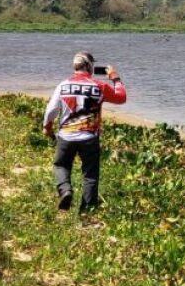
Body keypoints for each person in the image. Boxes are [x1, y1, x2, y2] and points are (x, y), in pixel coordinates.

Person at [42, 51, 127, 212]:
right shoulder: (99, 86)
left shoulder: (63, 85)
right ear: (89, 66)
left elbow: (51, 110)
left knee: (61, 166)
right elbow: (121, 97)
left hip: (66, 136)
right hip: (89, 137)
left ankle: (65, 190)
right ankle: (87, 209)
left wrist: (47, 128)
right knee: (90, 174)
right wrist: (115, 78)